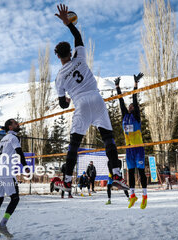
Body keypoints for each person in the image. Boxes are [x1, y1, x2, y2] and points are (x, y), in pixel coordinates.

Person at [53, 4, 128, 194]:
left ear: (58, 56)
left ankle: (68, 181)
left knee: (74, 144)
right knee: (108, 139)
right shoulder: (80, 58)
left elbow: (62, 104)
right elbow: (78, 37)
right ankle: (117, 173)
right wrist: (68, 23)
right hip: (97, 99)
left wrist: (67, 101)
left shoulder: (59, 77)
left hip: (81, 103)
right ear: (70, 52)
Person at [0, 119, 29, 238]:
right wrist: (25, 166)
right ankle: (2, 225)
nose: (18, 124)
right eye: (15, 123)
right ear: (10, 127)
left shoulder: (3, 139)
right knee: (15, 198)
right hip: (6, 173)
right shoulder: (13, 138)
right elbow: (19, 152)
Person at [114, 73, 147, 209]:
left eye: (132, 106)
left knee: (141, 172)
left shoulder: (136, 117)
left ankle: (145, 196)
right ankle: (132, 196)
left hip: (138, 148)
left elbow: (135, 98)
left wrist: (135, 84)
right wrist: (117, 87)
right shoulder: (125, 116)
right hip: (129, 149)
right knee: (131, 173)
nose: (130, 106)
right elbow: (121, 101)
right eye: (130, 106)